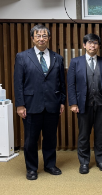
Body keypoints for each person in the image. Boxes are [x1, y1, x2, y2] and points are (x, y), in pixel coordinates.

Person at [14, 25, 66, 180]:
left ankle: (50, 165)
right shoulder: (22, 57)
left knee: (50, 138)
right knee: (30, 139)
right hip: (30, 105)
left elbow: (61, 83)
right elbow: (18, 83)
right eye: (38, 36)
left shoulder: (58, 58)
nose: (41, 38)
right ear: (32, 38)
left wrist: (62, 101)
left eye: (44, 36)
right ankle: (31, 168)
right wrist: (20, 104)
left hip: (52, 104)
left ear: (49, 38)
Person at [67, 33, 102, 174]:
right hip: (83, 105)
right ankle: (84, 162)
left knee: (101, 134)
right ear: (84, 45)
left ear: (99, 46)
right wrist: (73, 103)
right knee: (83, 135)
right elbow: (71, 84)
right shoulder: (75, 62)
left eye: (95, 43)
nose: (92, 45)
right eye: (89, 43)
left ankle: (101, 160)